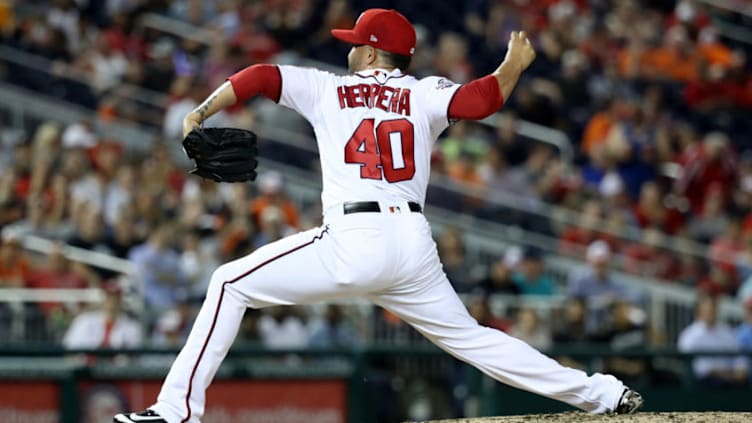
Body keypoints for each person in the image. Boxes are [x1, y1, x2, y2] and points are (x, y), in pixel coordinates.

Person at [115, 9, 642, 423]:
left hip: (353, 234)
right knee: (475, 339)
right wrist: (513, 67)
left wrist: (199, 112)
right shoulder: (424, 92)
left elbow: (259, 75)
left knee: (229, 282)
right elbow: (483, 100)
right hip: (412, 243)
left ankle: (175, 412)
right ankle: (603, 394)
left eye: (355, 44)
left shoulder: (328, 88)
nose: (349, 51)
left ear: (371, 52)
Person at [677, 295, 749, 387]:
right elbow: (694, 366)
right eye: (708, 310)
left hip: (730, 380)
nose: (712, 314)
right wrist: (717, 373)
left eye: (714, 310)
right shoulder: (689, 336)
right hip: (703, 383)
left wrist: (740, 369)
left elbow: (739, 356)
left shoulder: (726, 332)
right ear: (699, 312)